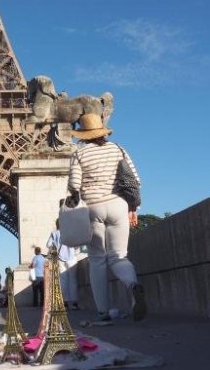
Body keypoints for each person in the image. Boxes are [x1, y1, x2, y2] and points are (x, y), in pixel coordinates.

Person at [68, 112, 146, 324]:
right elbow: (134, 180)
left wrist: (75, 194)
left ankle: (103, 311)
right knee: (119, 255)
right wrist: (133, 207)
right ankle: (132, 285)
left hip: (93, 208)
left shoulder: (80, 153)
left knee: (97, 260)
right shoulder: (118, 149)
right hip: (119, 204)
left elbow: (75, 185)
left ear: (83, 134)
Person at [47, 218, 80, 310]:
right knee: (73, 280)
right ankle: (74, 303)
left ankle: (64, 303)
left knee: (63, 280)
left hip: (60, 258)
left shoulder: (54, 233)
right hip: (72, 258)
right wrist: (75, 252)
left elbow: (48, 245)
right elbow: (77, 245)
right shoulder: (70, 232)